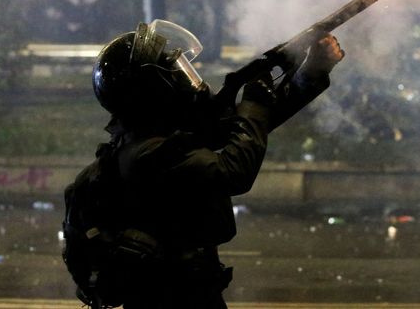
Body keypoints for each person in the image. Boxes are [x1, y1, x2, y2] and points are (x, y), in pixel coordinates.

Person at [63, 19, 344, 309]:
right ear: (153, 90)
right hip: (174, 298)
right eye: (176, 73)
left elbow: (248, 126)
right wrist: (254, 100)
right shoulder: (149, 153)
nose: (188, 79)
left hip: (184, 292)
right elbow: (234, 171)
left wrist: (312, 70)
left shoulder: (150, 138)